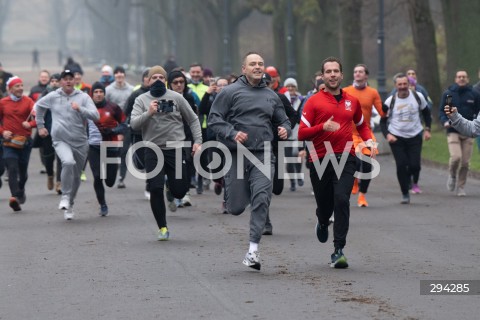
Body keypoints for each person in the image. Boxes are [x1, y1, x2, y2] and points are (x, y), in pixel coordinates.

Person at [208, 52, 291, 270]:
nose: (257, 67)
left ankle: (253, 251)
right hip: (237, 153)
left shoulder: (271, 95)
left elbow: (283, 120)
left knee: (262, 197)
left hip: (263, 152)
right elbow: (214, 120)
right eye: (252, 64)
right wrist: (232, 132)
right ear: (243, 68)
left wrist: (285, 129)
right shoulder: (229, 92)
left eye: (260, 64)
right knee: (235, 208)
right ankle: (234, 193)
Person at [298, 57, 375, 269]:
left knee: (342, 199)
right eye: (328, 71)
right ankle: (322, 221)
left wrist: (368, 140)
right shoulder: (313, 101)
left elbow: (362, 124)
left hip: (346, 156)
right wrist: (322, 127)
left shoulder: (352, 101)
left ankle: (338, 249)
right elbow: (301, 133)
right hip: (320, 159)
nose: (332, 75)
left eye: (336, 71)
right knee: (325, 204)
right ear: (322, 76)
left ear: (342, 75)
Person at [130, 66, 202, 241]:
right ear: (147, 81)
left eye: (161, 77)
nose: (157, 80)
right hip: (152, 149)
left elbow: (193, 119)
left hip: (175, 147)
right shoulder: (141, 99)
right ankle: (162, 227)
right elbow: (133, 125)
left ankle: (171, 188)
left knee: (180, 191)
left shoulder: (176, 97)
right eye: (153, 77)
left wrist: (198, 141)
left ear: (166, 80)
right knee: (155, 188)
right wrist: (149, 113)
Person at [35, 69, 100, 220]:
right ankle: (64, 195)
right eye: (65, 79)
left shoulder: (83, 97)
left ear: (74, 81)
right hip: (60, 140)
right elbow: (38, 107)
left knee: (77, 177)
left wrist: (80, 109)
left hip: (80, 141)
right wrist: (40, 126)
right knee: (67, 162)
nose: (68, 81)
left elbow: (96, 116)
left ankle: (70, 204)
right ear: (61, 81)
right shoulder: (53, 96)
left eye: (71, 78)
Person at [380, 73, 431, 204]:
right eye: (400, 84)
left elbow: (426, 113)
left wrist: (427, 129)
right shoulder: (390, 101)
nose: (403, 87)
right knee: (401, 165)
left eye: (405, 84)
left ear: (409, 84)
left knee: (415, 166)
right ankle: (405, 193)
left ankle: (409, 178)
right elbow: (382, 121)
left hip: (415, 135)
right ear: (395, 86)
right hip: (396, 137)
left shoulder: (417, 97)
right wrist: (387, 135)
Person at [343, 64, 384, 206]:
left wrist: (386, 109)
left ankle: (362, 195)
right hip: (350, 133)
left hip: (365, 133)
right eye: (355, 72)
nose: (358, 74)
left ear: (366, 75)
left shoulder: (372, 92)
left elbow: (382, 112)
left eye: (361, 72)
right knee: (355, 161)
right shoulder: (346, 91)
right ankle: (354, 180)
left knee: (367, 166)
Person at [438, 70, 480, 196]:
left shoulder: (474, 94)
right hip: (453, 130)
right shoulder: (449, 94)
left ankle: (461, 187)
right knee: (456, 157)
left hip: (468, 133)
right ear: (456, 79)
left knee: (466, 162)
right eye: (459, 77)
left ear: (467, 79)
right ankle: (452, 175)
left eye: (464, 77)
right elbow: (442, 111)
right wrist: (446, 120)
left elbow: (477, 111)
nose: (461, 79)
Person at [87, 82, 127, 216]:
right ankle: (102, 204)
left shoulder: (113, 107)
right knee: (97, 177)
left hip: (110, 146)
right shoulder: (87, 108)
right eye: (96, 92)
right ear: (91, 94)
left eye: (101, 92)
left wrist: (113, 130)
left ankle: (110, 179)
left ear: (104, 93)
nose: (98, 94)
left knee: (110, 181)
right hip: (93, 147)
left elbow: (124, 124)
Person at [0, 76, 36, 211]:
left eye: (21, 86)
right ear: (10, 89)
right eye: (17, 86)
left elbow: (38, 118)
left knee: (22, 171)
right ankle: (14, 197)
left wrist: (30, 124)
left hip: (25, 143)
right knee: (12, 168)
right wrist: (3, 132)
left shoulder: (29, 101)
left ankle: (20, 189)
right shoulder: (3, 103)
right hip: (9, 143)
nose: (20, 88)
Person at [167, 69, 200, 208]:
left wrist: (198, 140)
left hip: (187, 136)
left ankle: (185, 193)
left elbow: (194, 118)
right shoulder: (165, 98)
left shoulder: (190, 97)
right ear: (170, 84)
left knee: (187, 163)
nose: (179, 85)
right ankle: (170, 187)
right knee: (173, 166)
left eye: (182, 82)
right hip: (169, 137)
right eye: (175, 82)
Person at [124, 68, 151, 200]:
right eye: (147, 77)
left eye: (151, 77)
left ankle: (149, 185)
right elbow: (126, 110)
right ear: (143, 79)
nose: (149, 79)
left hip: (154, 133)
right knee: (141, 163)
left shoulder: (158, 94)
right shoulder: (136, 94)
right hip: (138, 131)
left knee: (151, 160)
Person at [106, 66, 134, 189]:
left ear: (124, 75)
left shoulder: (131, 90)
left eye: (121, 73)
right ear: (114, 75)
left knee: (124, 152)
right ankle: (111, 173)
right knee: (113, 151)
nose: (119, 75)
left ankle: (121, 178)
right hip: (112, 125)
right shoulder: (108, 90)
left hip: (127, 124)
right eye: (117, 73)